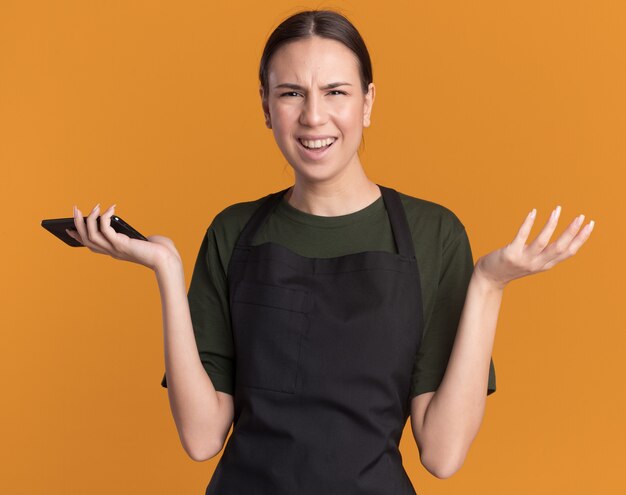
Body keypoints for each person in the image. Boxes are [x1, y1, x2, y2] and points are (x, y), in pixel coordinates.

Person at [66, 9, 595, 494]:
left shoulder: (434, 234)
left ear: (367, 103)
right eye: (291, 93)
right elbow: (203, 439)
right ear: (266, 108)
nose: (314, 117)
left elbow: (442, 452)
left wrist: (488, 284)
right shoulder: (233, 232)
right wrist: (166, 270)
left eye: (336, 92)